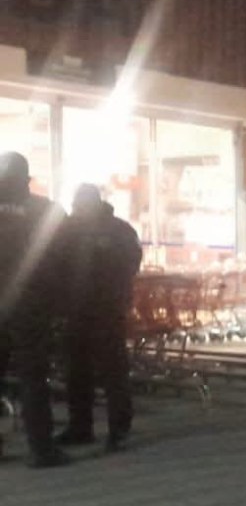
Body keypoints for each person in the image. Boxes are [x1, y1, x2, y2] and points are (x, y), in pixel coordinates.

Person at [56, 184, 142, 452]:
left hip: (96, 308)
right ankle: (94, 427)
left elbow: (130, 264)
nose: (75, 210)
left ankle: (104, 427)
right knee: (88, 370)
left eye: (78, 205)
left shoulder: (109, 230)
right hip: (92, 309)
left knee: (102, 370)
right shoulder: (117, 230)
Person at [0, 151, 69, 467]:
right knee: (33, 376)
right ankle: (41, 448)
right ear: (26, 179)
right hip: (31, 304)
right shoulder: (46, 211)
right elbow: (66, 259)